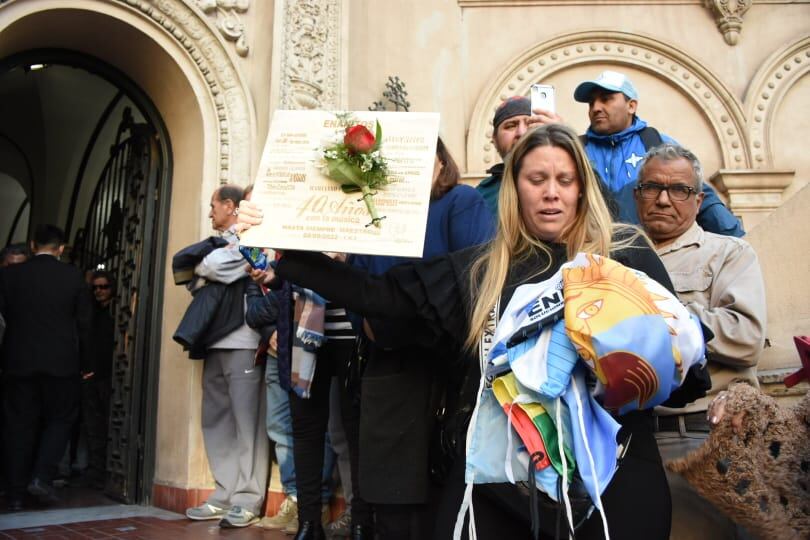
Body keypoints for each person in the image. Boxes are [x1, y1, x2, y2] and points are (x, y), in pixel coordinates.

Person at [239, 124, 690, 539]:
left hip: (618, 479)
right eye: (537, 180)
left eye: (565, 180)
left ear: (581, 189)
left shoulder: (627, 257)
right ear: (515, 188)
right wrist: (285, 241)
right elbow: (377, 296)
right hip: (500, 484)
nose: (551, 194)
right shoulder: (481, 270)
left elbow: (685, 374)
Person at [346, 137, 493, 539]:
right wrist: (367, 325)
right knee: (393, 501)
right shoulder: (374, 212)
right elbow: (355, 281)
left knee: (444, 491)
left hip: (447, 370)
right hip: (388, 367)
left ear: (440, 163)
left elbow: (476, 275)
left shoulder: (460, 202)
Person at [633, 143, 766, 539]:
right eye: (651, 187)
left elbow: (746, 336)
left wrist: (666, 317)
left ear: (698, 199)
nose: (662, 199)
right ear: (637, 194)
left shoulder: (728, 254)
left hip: (697, 436)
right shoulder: (613, 257)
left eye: (678, 190)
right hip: (625, 440)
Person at [183, 185, 269, 528]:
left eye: (213, 206)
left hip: (245, 341)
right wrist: (207, 266)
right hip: (214, 340)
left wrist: (206, 265)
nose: (210, 213)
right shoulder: (222, 241)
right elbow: (191, 277)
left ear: (231, 205)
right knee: (216, 419)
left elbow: (222, 267)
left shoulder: (255, 235)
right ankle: (223, 493)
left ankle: (248, 498)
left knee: (247, 423)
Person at [573, 70, 744, 237]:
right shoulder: (575, 149)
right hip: (592, 256)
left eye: (606, 99)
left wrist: (736, 236)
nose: (596, 108)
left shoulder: (657, 143)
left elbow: (697, 194)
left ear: (631, 106)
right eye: (591, 103)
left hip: (652, 257)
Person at [0, 225, 93, 511]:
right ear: (61, 248)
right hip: (61, 363)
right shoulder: (73, 276)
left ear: (32, 244)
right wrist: (85, 363)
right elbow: (85, 323)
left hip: (18, 361)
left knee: (18, 425)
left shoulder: (9, 275)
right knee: (61, 419)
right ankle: (42, 476)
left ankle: (15, 494)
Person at [476, 97, 559, 217]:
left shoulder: (571, 180)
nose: (521, 133)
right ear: (494, 140)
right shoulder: (480, 197)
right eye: (510, 126)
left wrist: (565, 139)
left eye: (530, 123)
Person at [81, 270, 116, 489]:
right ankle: (95, 472)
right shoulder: (90, 313)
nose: (99, 291)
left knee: (108, 426)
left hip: (109, 378)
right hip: (90, 377)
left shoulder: (117, 314)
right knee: (93, 428)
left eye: (103, 287)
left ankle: (107, 473)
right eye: (95, 287)